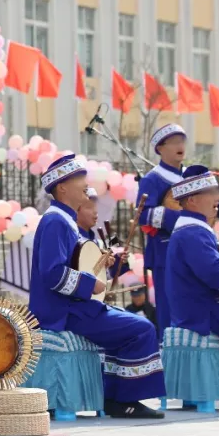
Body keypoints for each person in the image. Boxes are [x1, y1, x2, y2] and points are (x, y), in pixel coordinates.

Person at [30, 155, 165, 418]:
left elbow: (73, 264)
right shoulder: (55, 221)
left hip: (73, 308)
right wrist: (90, 284)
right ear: (62, 188)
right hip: (63, 312)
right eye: (79, 179)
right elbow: (52, 274)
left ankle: (115, 397)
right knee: (141, 329)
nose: (86, 183)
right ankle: (123, 400)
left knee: (132, 325)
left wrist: (99, 266)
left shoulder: (64, 220)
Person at [137, 124, 219, 339]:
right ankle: (170, 349)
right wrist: (182, 218)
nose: (180, 145)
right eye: (174, 142)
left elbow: (205, 212)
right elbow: (142, 214)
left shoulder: (189, 175)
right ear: (160, 148)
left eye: (182, 140)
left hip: (193, 244)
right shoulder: (153, 178)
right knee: (170, 306)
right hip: (165, 250)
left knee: (200, 296)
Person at [163, 166, 219, 399]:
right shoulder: (192, 232)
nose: (218, 197)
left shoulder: (192, 228)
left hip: (204, 308)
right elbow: (216, 273)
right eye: (211, 192)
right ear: (192, 200)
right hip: (204, 313)